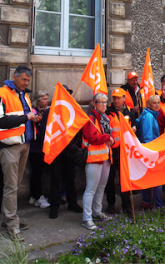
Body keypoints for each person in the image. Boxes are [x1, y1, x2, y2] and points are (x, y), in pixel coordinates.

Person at [0, 65, 38, 241]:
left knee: (14, 185)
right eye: (23, 79)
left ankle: (8, 220)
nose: (26, 83)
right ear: (14, 77)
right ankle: (12, 224)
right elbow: (2, 121)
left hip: (25, 145)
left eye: (28, 80)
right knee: (11, 186)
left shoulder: (24, 94)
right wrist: (27, 117)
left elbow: (26, 116)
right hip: (10, 147)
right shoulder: (3, 93)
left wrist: (33, 118)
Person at [47, 85, 83, 220]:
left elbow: (79, 129)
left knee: (70, 178)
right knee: (55, 179)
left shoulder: (74, 111)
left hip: (70, 151)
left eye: (68, 94)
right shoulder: (50, 112)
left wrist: (75, 145)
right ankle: (54, 207)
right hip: (56, 151)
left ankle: (72, 203)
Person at [82, 93, 114, 230]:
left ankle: (97, 212)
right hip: (94, 157)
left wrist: (108, 139)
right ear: (94, 103)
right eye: (100, 102)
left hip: (105, 157)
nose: (103, 105)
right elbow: (92, 137)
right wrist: (107, 137)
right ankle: (87, 218)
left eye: (105, 102)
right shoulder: (90, 118)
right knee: (91, 189)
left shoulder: (105, 118)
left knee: (101, 187)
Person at [105, 88, 136, 216]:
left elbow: (134, 126)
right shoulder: (107, 112)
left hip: (125, 151)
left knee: (125, 180)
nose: (116, 100)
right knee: (110, 179)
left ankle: (127, 205)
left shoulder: (130, 112)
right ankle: (111, 204)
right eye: (114, 98)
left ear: (124, 98)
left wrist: (134, 128)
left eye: (118, 98)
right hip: (112, 152)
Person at [137, 95, 163, 209]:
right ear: (148, 104)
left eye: (158, 102)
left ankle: (147, 201)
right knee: (157, 180)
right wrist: (152, 153)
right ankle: (158, 205)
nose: (157, 105)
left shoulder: (149, 115)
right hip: (151, 151)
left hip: (148, 151)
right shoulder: (148, 116)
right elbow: (147, 137)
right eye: (154, 103)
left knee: (148, 179)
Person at [28, 91, 50, 209]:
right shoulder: (33, 112)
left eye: (47, 99)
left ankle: (33, 196)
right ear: (38, 100)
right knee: (37, 173)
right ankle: (38, 196)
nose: (47, 101)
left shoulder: (44, 112)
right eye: (44, 99)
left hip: (41, 147)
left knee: (37, 173)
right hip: (35, 148)